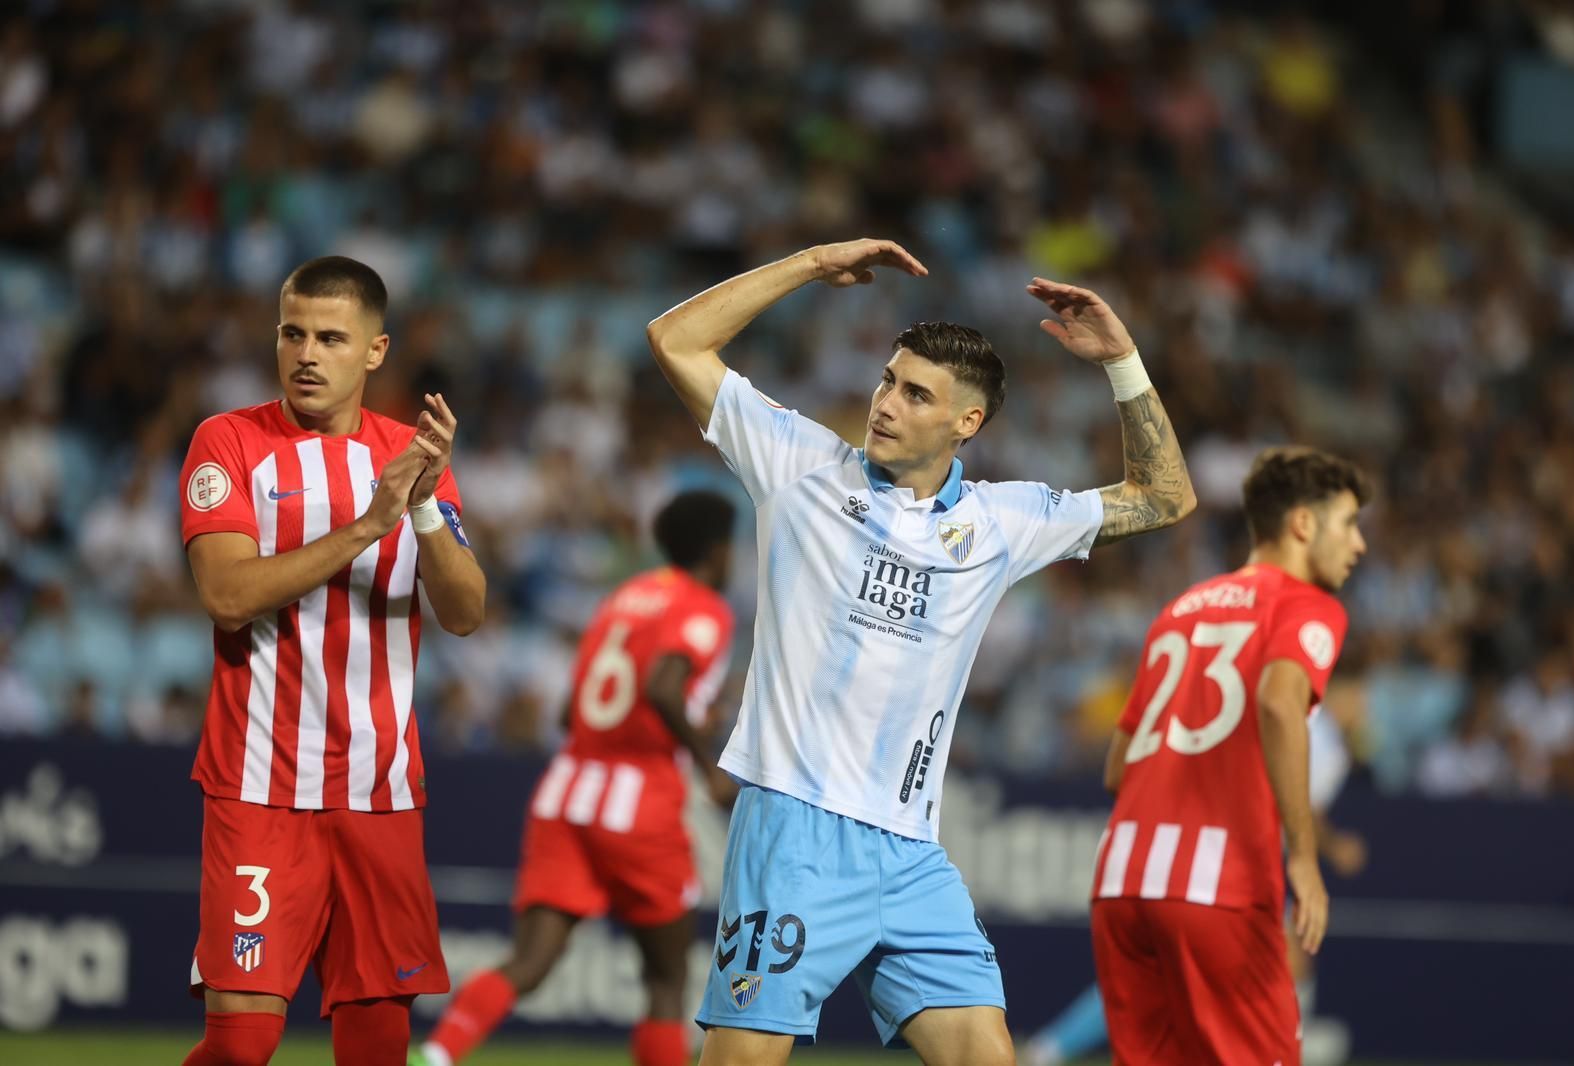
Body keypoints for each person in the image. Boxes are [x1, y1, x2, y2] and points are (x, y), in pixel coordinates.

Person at [645, 238, 1197, 1066]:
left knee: (987, 1055)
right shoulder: (800, 468)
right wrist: (806, 267)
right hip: (795, 828)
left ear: (965, 422)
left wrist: (1123, 363)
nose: (886, 403)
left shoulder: (1002, 523)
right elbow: (675, 340)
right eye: (886, 380)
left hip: (909, 851)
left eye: (915, 393)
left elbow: (1165, 497)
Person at [178, 256, 486, 1066]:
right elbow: (228, 594)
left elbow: (464, 611)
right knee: (241, 1047)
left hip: (378, 797)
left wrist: (418, 504)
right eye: (292, 333)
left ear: (374, 352)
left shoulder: (412, 458)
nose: (306, 353)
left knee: (377, 1049)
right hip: (259, 789)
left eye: (330, 337)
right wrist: (367, 523)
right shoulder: (230, 442)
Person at [413, 491, 741, 1066]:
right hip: (638, 796)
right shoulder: (704, 607)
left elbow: (570, 713)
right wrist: (708, 764)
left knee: (530, 962)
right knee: (665, 981)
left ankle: (437, 1054)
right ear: (717, 550)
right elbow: (665, 686)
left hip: (567, 789)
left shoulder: (625, 597)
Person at [1090, 446, 1370, 1066]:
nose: (1359, 546)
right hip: (1217, 886)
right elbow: (1278, 701)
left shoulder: (1178, 611)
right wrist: (1302, 854)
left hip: (1122, 877)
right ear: (1303, 524)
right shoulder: (1306, 604)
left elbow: (1117, 768)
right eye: (1349, 524)